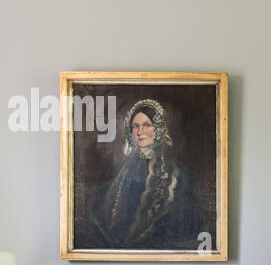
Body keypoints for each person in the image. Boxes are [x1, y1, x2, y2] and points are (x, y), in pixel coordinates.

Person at [87, 98, 204, 250]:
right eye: (136, 126)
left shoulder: (176, 176)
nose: (140, 132)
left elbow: (180, 221)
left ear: (159, 129)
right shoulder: (125, 170)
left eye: (146, 125)